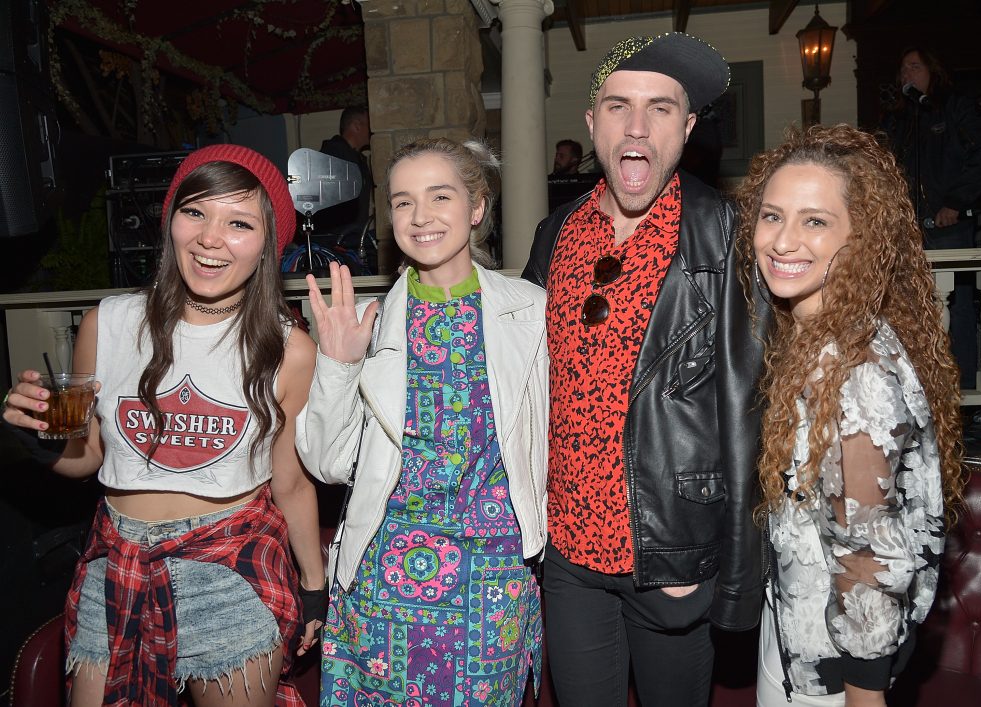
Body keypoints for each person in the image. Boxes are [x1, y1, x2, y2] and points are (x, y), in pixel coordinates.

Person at [1, 144, 325, 705]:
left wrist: (315, 588)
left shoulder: (289, 350)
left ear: (268, 243)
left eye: (239, 222)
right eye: (194, 211)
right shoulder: (108, 323)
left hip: (231, 566)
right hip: (116, 560)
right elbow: (88, 457)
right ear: (171, 219)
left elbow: (291, 483)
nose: (209, 238)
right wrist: (39, 440)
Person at [522, 33, 767, 707]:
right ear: (592, 124)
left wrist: (729, 568)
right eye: (618, 106)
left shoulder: (727, 235)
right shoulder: (556, 232)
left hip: (672, 558)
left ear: (686, 129)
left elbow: (752, 413)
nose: (637, 126)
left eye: (660, 108)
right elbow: (522, 380)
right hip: (568, 556)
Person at [296, 137, 548, 706]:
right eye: (403, 202)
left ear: (477, 207)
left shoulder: (531, 312)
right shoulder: (370, 323)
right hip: (382, 577)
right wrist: (337, 363)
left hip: (493, 578)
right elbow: (327, 464)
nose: (420, 216)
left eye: (440, 196)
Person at [733, 124, 964, 706]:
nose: (783, 240)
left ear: (859, 238)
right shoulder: (810, 335)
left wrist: (865, 695)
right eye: (772, 216)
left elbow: (868, 556)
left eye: (815, 221)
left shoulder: (854, 370)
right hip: (798, 633)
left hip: (835, 672)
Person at [882, 47, 981, 388]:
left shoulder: (956, 108)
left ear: (933, 71)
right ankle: (919, 388)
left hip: (949, 227)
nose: (907, 74)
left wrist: (955, 202)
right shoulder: (898, 119)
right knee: (909, 307)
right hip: (908, 230)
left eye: (915, 66)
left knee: (957, 307)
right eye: (903, 69)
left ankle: (962, 389)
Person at [318, 105, 374, 239]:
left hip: (351, 239)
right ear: (356, 126)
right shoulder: (333, 156)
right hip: (337, 241)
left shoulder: (356, 158)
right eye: (369, 125)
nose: (372, 130)